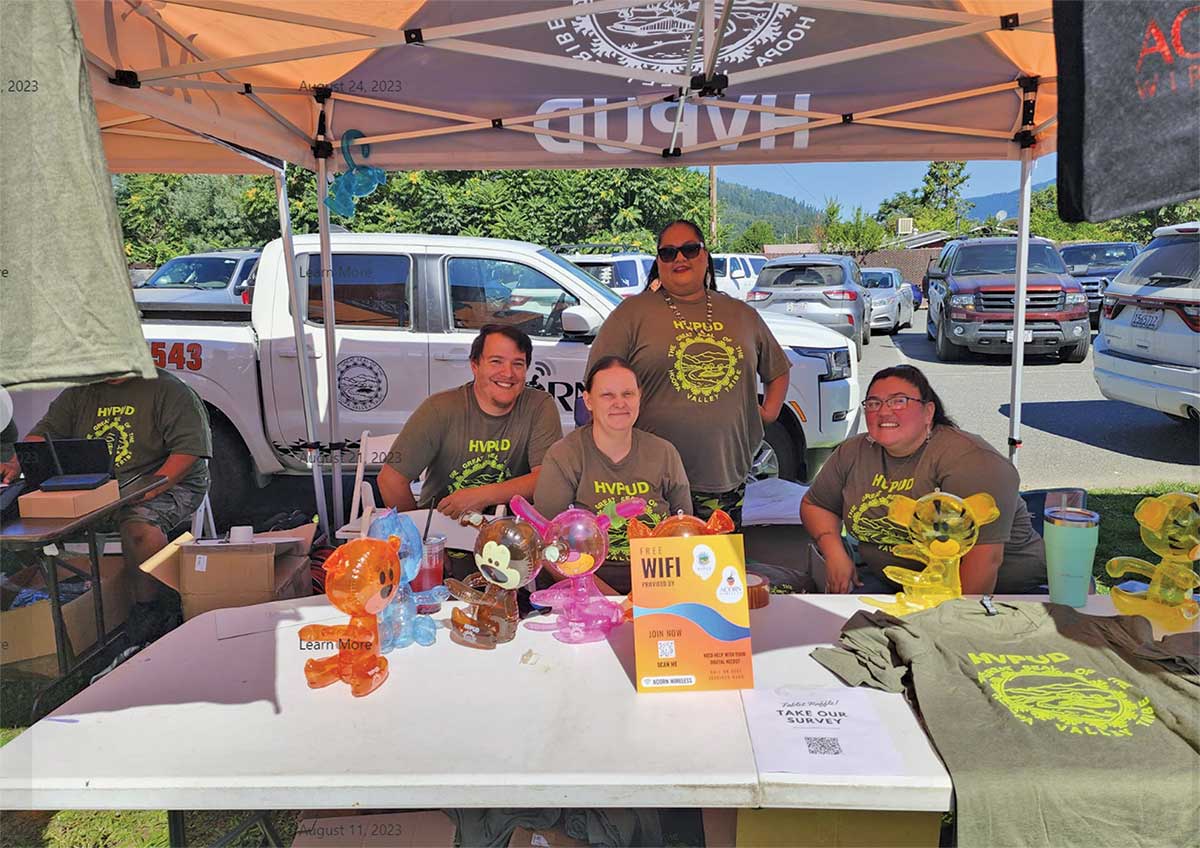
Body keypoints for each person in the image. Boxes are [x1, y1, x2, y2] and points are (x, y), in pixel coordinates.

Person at [585, 220, 791, 526]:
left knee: (717, 569)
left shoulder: (741, 314)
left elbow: (778, 369)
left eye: (689, 249)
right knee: (656, 571)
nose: (679, 258)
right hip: (650, 481)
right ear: (658, 263)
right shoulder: (631, 314)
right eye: (668, 253)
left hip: (722, 478)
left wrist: (770, 412)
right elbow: (598, 384)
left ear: (705, 256)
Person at [801, 364, 1045, 595]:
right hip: (898, 587)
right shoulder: (853, 451)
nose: (884, 411)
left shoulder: (972, 460)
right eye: (874, 403)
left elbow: (985, 562)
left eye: (899, 401)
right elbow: (816, 504)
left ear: (928, 412)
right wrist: (834, 552)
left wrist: (946, 622)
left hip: (1005, 594)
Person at [17, 368, 212, 605]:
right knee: (25, 519)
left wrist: (152, 487)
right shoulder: (78, 392)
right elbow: (43, 435)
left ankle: (151, 608)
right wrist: (15, 462)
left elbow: (188, 451)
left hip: (167, 481)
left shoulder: (169, 389)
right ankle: (57, 605)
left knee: (139, 527)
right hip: (96, 486)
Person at [533, 356, 691, 594]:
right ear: (588, 400)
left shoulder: (664, 453)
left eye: (628, 394)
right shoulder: (564, 455)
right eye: (607, 395)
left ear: (639, 397)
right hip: (586, 594)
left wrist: (654, 598)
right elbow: (547, 546)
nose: (620, 403)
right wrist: (611, 600)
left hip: (660, 590)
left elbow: (685, 530)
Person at [378, 324, 563, 520]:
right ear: (475, 365)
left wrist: (480, 496)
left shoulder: (540, 405)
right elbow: (390, 480)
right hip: (444, 536)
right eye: (496, 361)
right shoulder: (439, 409)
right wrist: (418, 535)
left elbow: (546, 479)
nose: (508, 373)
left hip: (511, 537)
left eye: (518, 364)